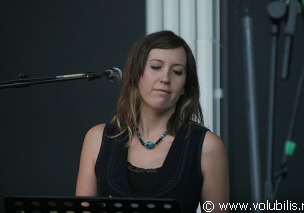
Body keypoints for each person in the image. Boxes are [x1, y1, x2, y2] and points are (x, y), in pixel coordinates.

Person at [75, 30, 229, 212]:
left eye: (177, 71)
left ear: (184, 87)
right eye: (156, 67)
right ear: (136, 75)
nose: (165, 78)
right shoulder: (97, 138)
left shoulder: (208, 146)